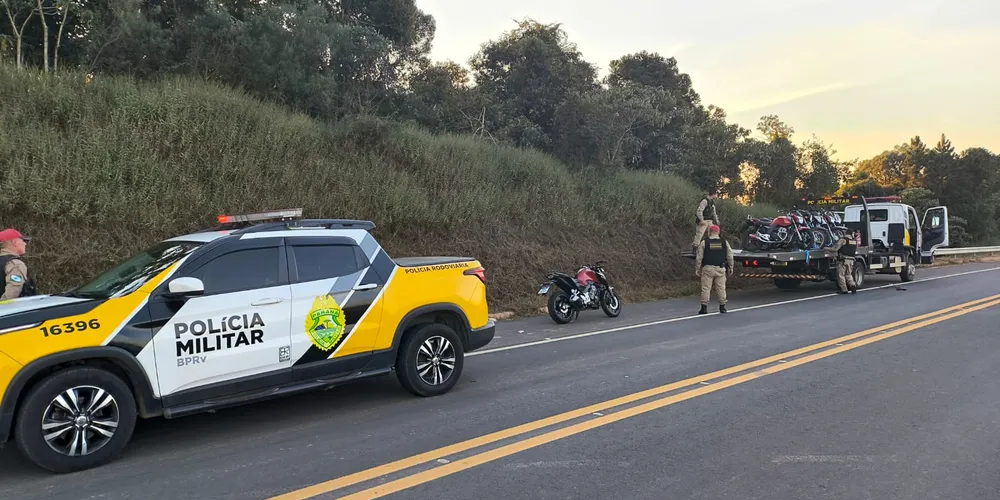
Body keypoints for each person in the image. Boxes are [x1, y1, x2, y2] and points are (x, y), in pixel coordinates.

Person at [694, 224, 734, 314]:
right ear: (718, 232)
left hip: (707, 269)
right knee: (721, 288)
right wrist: (731, 267)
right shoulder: (724, 242)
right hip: (721, 269)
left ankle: (704, 308)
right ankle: (722, 307)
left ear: (709, 232)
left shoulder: (705, 242)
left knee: (706, 288)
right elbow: (730, 256)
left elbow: (699, 257)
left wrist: (697, 268)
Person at [0, 228, 37, 300]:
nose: (25, 243)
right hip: (11, 310)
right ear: (15, 242)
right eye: (23, 240)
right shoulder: (15, 264)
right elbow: (11, 294)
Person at [830, 230, 858, 294]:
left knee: (841, 275)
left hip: (843, 260)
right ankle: (852, 285)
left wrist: (826, 248)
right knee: (848, 274)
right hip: (851, 260)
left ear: (845, 233)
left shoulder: (843, 240)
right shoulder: (854, 241)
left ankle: (844, 289)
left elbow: (835, 249)